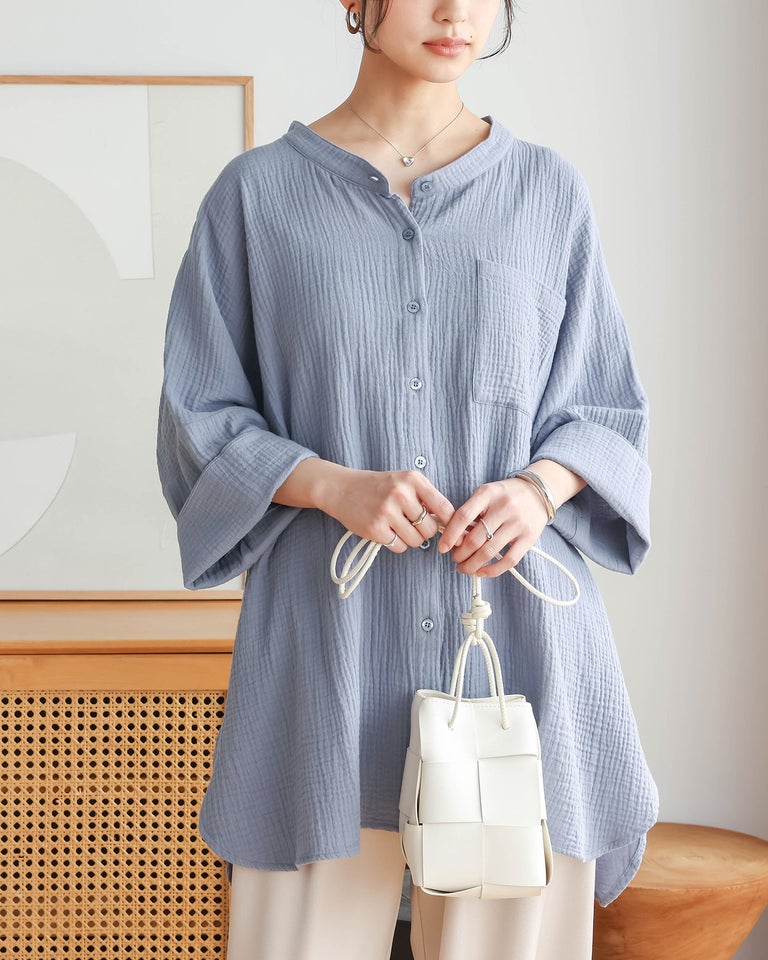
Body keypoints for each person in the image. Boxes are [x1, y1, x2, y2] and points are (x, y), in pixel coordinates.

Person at [156, 0, 659, 956]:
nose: (455, 12)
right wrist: (328, 484)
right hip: (324, 652)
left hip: (519, 653)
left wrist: (539, 491)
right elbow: (198, 418)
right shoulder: (256, 198)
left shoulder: (547, 193)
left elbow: (607, 411)